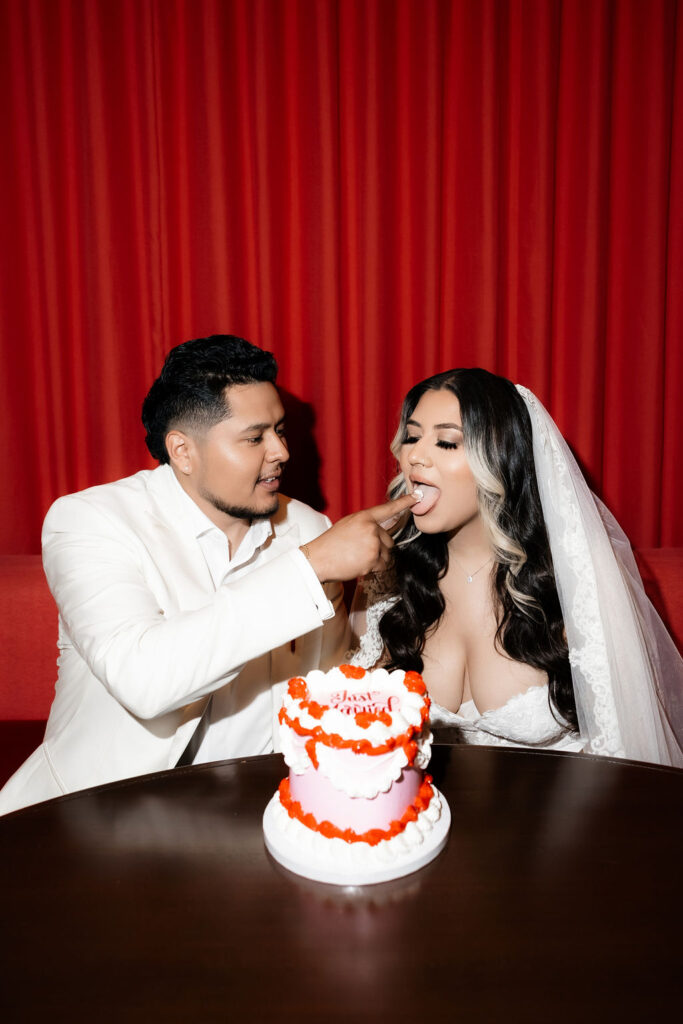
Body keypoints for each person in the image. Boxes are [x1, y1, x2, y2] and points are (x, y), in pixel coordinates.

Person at [0, 335, 416, 814]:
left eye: (280, 430)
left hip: (255, 815)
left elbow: (327, 681)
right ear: (182, 451)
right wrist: (312, 566)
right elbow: (144, 681)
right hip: (97, 811)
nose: (281, 451)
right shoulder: (90, 521)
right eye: (255, 437)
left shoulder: (308, 527)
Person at [349, 368, 683, 766]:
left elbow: (629, 752)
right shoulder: (385, 575)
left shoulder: (574, 583)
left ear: (502, 459)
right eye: (412, 436)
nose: (414, 456)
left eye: (446, 441)